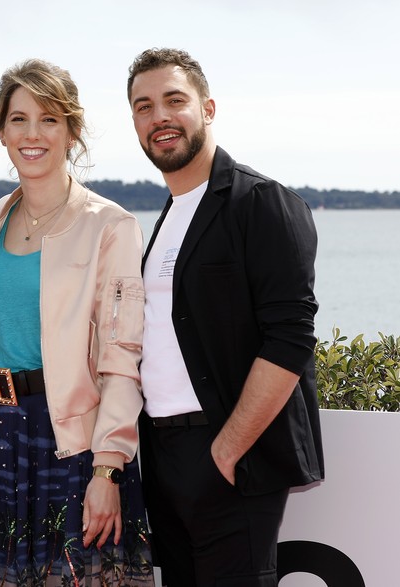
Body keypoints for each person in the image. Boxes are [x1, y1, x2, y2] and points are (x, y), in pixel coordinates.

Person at [0, 59, 153, 586]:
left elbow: (123, 356)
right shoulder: (0, 213)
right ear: (1, 131)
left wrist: (107, 467)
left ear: (72, 131)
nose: (32, 134)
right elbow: (18, 312)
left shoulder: (111, 225)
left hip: (72, 443)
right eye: (18, 119)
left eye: (49, 119)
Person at [127, 47, 324, 586]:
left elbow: (289, 338)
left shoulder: (264, 203)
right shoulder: (167, 217)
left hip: (228, 455)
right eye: (144, 107)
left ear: (207, 109)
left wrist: (226, 451)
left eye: (174, 101)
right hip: (164, 456)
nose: (159, 118)